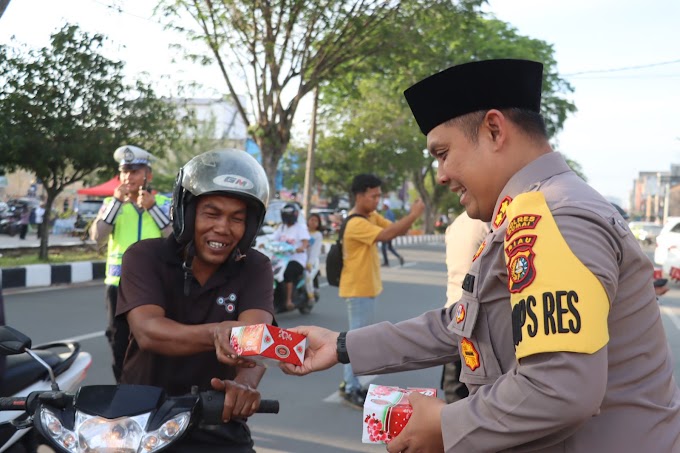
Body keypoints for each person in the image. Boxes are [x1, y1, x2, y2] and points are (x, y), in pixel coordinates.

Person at [274, 59, 680, 451]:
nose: (441, 175)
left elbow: (558, 388)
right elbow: (463, 324)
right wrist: (343, 345)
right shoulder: (525, 213)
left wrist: (445, 425)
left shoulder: (553, 216)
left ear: (493, 130)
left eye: (442, 153)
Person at [116, 149, 274, 452]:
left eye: (237, 219)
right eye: (211, 214)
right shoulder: (144, 257)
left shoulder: (255, 266)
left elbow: (253, 339)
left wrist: (244, 385)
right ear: (186, 213)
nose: (223, 228)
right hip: (141, 418)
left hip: (216, 417)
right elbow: (148, 330)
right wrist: (216, 333)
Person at [337, 174, 425, 409]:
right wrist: (414, 215)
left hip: (365, 288)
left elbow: (395, 230)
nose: (377, 200)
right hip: (358, 289)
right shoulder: (356, 223)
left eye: (379, 195)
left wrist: (409, 220)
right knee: (354, 341)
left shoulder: (369, 216)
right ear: (359, 196)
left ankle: (351, 383)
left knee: (357, 339)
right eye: (373, 195)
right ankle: (350, 387)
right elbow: (386, 235)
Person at [90, 145, 172, 382]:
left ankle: (152, 387)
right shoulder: (110, 204)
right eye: (125, 171)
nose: (128, 177)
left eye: (135, 171)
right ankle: (122, 388)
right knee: (117, 339)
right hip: (117, 285)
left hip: (153, 286)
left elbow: (174, 240)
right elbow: (98, 237)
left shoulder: (164, 204)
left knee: (153, 339)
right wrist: (115, 204)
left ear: (149, 175)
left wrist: (153, 209)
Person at [440, 211, 489, 403]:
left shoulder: (457, 224)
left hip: (454, 314)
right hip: (478, 321)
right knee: (476, 398)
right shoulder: (491, 223)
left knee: (455, 391)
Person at [271, 203, 310, 312]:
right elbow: (273, 239)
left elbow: (305, 242)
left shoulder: (300, 228)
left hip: (296, 258)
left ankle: (288, 300)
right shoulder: (281, 227)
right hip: (281, 258)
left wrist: (301, 248)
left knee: (288, 272)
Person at [380, 200, 404, 267]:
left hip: (387, 233)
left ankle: (386, 262)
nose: (382, 206)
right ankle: (399, 257)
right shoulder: (391, 213)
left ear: (386, 206)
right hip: (391, 232)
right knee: (390, 247)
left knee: (383, 247)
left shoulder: (387, 214)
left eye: (383, 205)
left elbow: (387, 224)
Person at [305, 213, 324, 301]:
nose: (313, 222)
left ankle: (310, 295)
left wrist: (310, 263)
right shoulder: (303, 231)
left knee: (307, 276)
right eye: (312, 220)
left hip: (312, 261)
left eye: (316, 221)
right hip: (301, 258)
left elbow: (315, 251)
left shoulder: (317, 235)